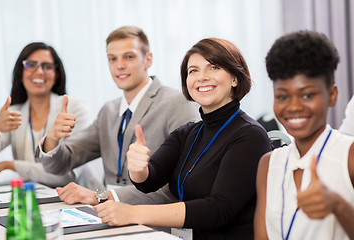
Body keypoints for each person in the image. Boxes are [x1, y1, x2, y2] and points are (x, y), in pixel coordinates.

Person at [93, 38, 272, 239]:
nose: (201, 77)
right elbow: (150, 180)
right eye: (193, 71)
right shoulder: (189, 132)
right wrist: (138, 170)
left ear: (235, 78)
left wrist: (133, 213)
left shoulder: (250, 135)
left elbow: (218, 209)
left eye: (213, 67)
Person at [37, 26, 200, 204]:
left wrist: (104, 197)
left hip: (155, 223)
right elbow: (58, 165)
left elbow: (184, 181)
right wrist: (52, 138)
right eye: (112, 59)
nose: (120, 65)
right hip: (110, 218)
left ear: (148, 60)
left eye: (129, 56)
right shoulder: (109, 111)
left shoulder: (178, 103)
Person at [254, 30, 354, 240]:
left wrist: (338, 206)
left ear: (332, 95)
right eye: (282, 96)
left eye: (307, 95)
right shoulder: (268, 164)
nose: (294, 107)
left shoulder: (349, 154)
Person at [0, 42, 91, 187]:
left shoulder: (76, 109)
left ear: (56, 74)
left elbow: (66, 175)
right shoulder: (15, 112)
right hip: (31, 198)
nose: (39, 72)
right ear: (21, 73)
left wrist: (9, 165)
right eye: (31, 64)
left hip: (75, 200)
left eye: (47, 66)